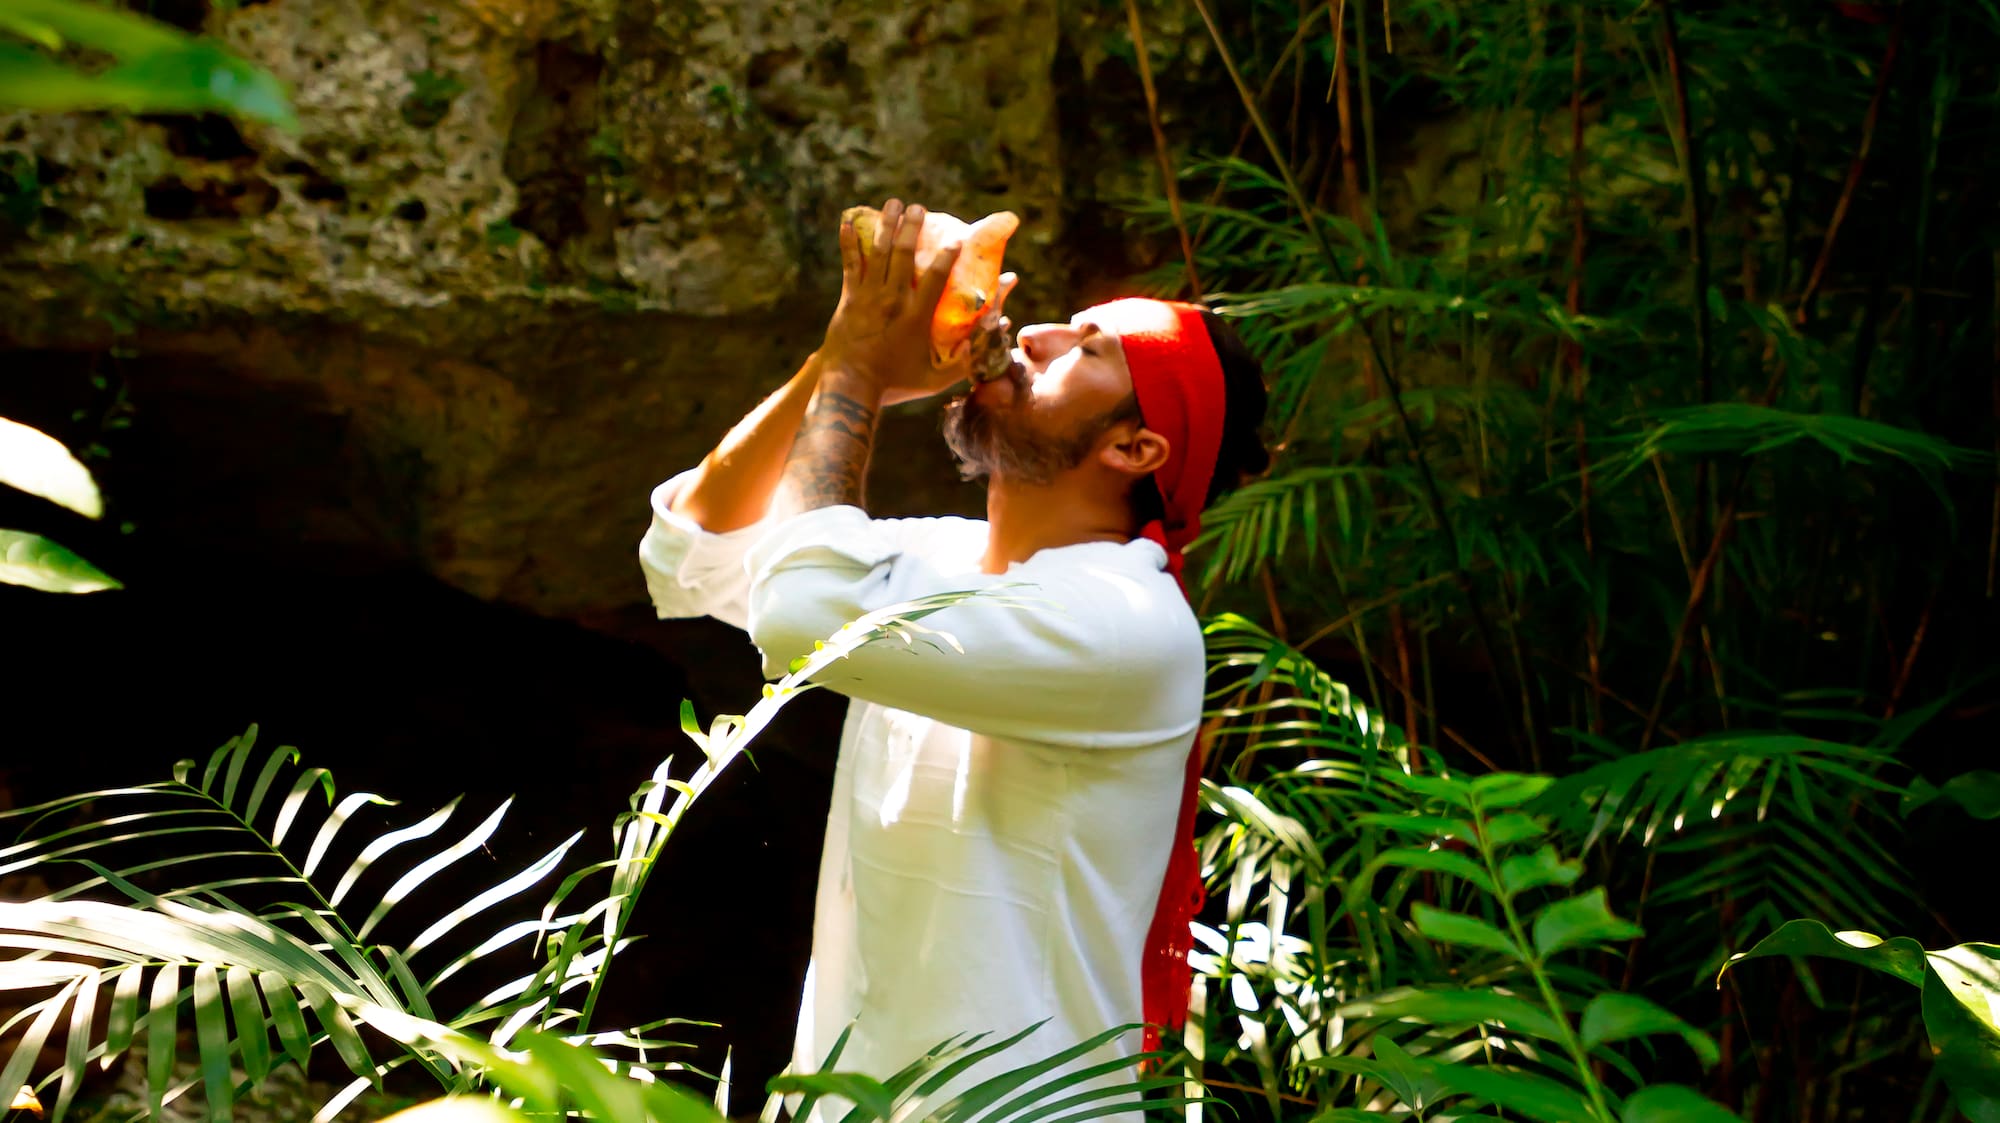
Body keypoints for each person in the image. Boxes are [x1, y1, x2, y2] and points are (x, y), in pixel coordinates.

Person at [638, 200, 1270, 1113]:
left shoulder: (1129, 624)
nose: (1040, 332)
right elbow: (687, 552)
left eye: (1087, 350)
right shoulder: (938, 558)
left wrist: (858, 372)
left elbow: (804, 613)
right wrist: (837, 360)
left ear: (1135, 446)